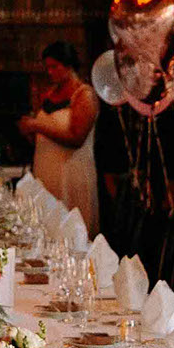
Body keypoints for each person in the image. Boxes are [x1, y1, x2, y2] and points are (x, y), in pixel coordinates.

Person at [18, 40, 100, 234]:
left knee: (70, 233)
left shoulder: (84, 95)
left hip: (71, 173)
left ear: (69, 65)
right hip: (46, 171)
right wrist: (29, 130)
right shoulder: (49, 94)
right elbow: (44, 135)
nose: (50, 72)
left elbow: (76, 138)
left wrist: (37, 125)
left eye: (54, 66)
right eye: (47, 67)